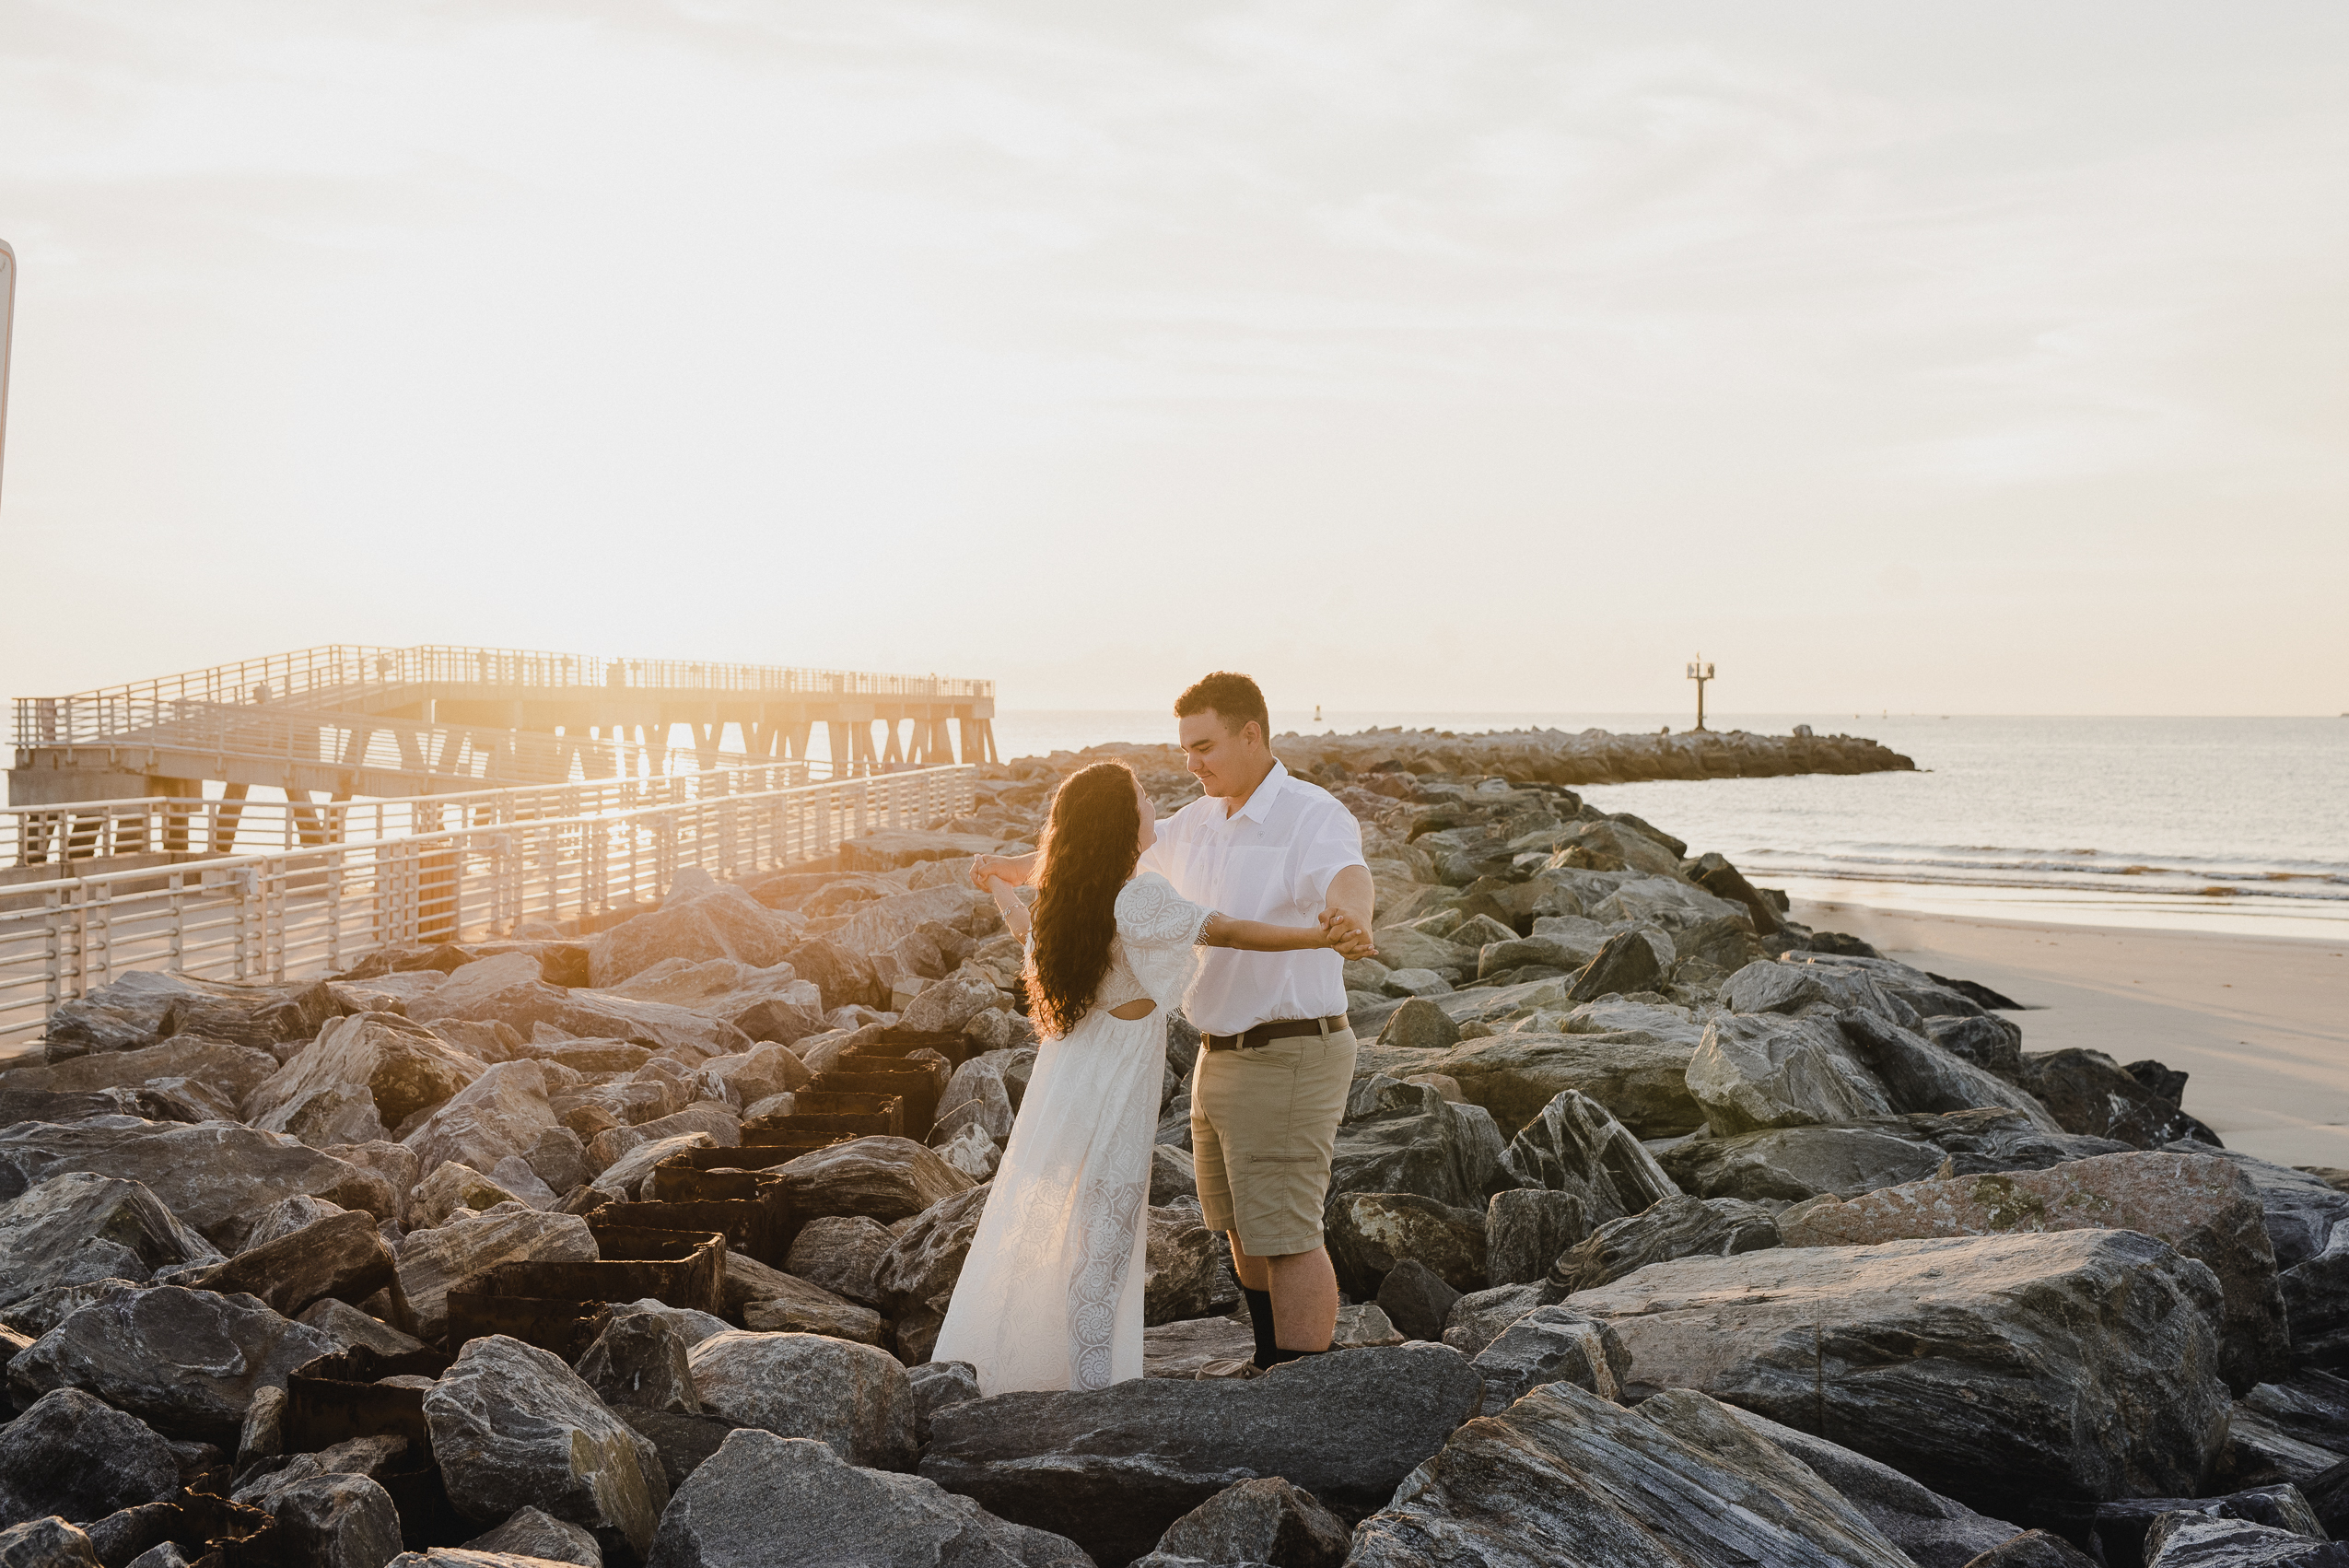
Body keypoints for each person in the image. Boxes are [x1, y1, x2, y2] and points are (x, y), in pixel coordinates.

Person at [972, 672, 1378, 1372]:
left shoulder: (1312, 814)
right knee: (1239, 1230)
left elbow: (1348, 874)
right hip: (1218, 1053)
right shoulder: (1195, 822)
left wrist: (1351, 917)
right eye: (1185, 749)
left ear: (1252, 734)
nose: (1191, 763)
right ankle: (1268, 1363)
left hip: (1289, 1047)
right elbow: (1095, 856)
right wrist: (1007, 868)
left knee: (1285, 1231)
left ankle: (1306, 1388)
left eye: (1204, 746)